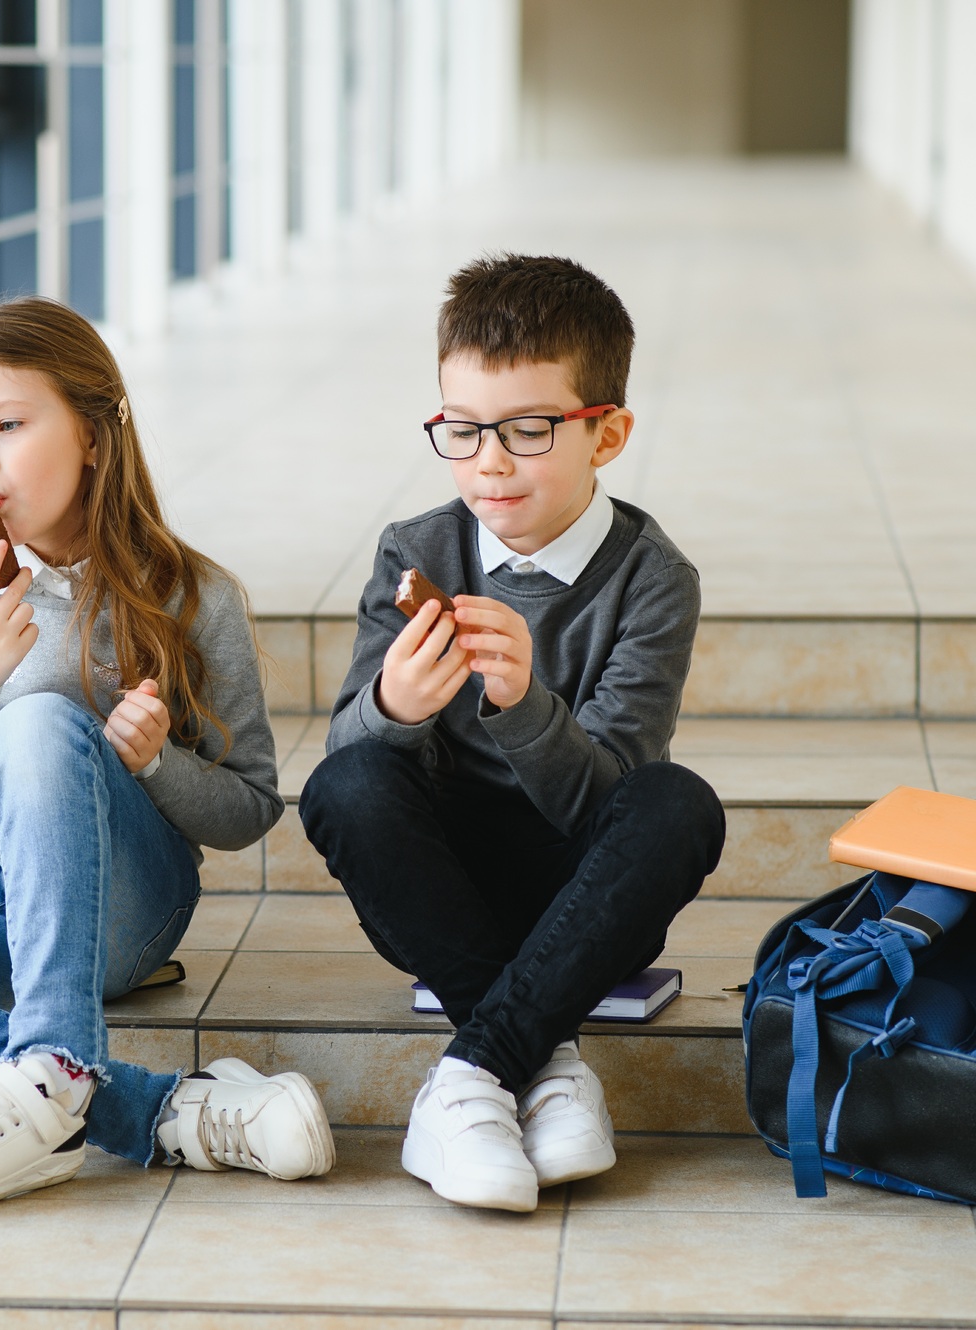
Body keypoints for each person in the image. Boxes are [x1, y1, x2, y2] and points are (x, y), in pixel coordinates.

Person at [0, 297, 334, 1209]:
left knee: (39, 721)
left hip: (120, 900)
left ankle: (49, 1064)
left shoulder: (191, 597)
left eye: (8, 425)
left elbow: (249, 811)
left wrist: (158, 762)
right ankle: (158, 1112)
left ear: (92, 433)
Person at [299, 254, 725, 1212]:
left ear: (606, 433)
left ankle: (471, 1074)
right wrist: (397, 709)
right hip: (439, 893)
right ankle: (546, 1057)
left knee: (679, 804)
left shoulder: (653, 578)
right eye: (461, 429)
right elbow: (345, 773)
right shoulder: (417, 549)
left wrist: (527, 703)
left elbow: (611, 797)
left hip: (585, 894)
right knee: (348, 785)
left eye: (529, 430)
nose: (488, 460)